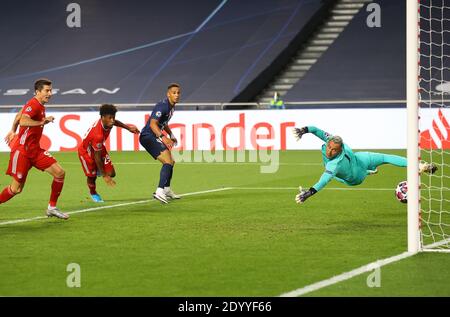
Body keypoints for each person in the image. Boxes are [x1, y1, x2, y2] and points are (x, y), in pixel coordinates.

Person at [292, 126, 438, 204]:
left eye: (334, 150)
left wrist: (309, 192)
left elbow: (323, 180)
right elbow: (316, 130)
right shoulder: (331, 140)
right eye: (329, 147)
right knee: (381, 159)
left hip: (357, 174)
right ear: (328, 143)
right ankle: (370, 170)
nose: (330, 151)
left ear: (340, 149)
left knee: (384, 157)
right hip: (357, 160)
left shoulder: (334, 164)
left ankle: (418, 166)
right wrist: (303, 130)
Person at [1, 78, 68, 219]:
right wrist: (43, 121)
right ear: (38, 92)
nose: (50, 93)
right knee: (16, 189)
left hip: (35, 151)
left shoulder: (38, 104)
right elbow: (24, 120)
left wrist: (13, 129)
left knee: (60, 173)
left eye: (51, 90)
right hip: (23, 152)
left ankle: (52, 207)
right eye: (47, 91)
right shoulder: (34, 104)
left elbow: (19, 115)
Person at [78, 104, 140, 202]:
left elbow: (116, 123)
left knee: (111, 173)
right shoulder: (98, 134)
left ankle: (99, 170)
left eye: (113, 117)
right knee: (92, 176)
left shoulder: (107, 122)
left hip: (98, 148)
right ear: (102, 117)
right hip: (86, 153)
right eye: (110, 118)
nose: (112, 120)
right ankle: (93, 193)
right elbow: (97, 157)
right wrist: (104, 176)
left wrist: (128, 128)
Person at [139, 83, 181, 204]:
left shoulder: (171, 107)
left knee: (171, 162)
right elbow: (153, 124)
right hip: (148, 136)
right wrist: (163, 137)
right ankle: (159, 191)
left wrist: (171, 135)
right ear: (168, 94)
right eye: (174, 93)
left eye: (178, 93)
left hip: (152, 136)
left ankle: (166, 189)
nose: (176, 95)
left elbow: (164, 123)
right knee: (168, 161)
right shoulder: (162, 106)